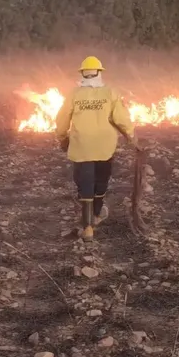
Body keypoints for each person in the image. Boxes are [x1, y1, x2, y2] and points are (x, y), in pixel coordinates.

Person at [54, 56, 137, 241]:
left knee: (85, 184)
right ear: (100, 73)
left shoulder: (74, 94)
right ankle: (97, 214)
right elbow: (121, 119)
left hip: (82, 145)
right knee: (101, 181)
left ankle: (87, 227)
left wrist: (61, 137)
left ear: (82, 73)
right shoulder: (110, 93)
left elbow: (62, 120)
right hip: (104, 146)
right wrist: (131, 136)